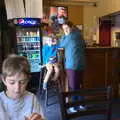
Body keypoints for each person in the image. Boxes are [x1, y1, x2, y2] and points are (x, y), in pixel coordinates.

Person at [0, 54, 44, 120]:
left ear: (28, 80)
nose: (17, 89)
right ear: (3, 80)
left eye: (22, 82)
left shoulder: (32, 99)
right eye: (12, 83)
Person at [59, 21, 86, 113]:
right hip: (81, 64)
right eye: (64, 29)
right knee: (79, 85)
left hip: (72, 64)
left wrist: (64, 35)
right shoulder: (79, 35)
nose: (65, 30)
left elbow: (61, 45)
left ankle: (73, 106)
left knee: (73, 86)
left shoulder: (69, 37)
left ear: (72, 27)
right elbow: (84, 45)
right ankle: (81, 104)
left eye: (66, 28)